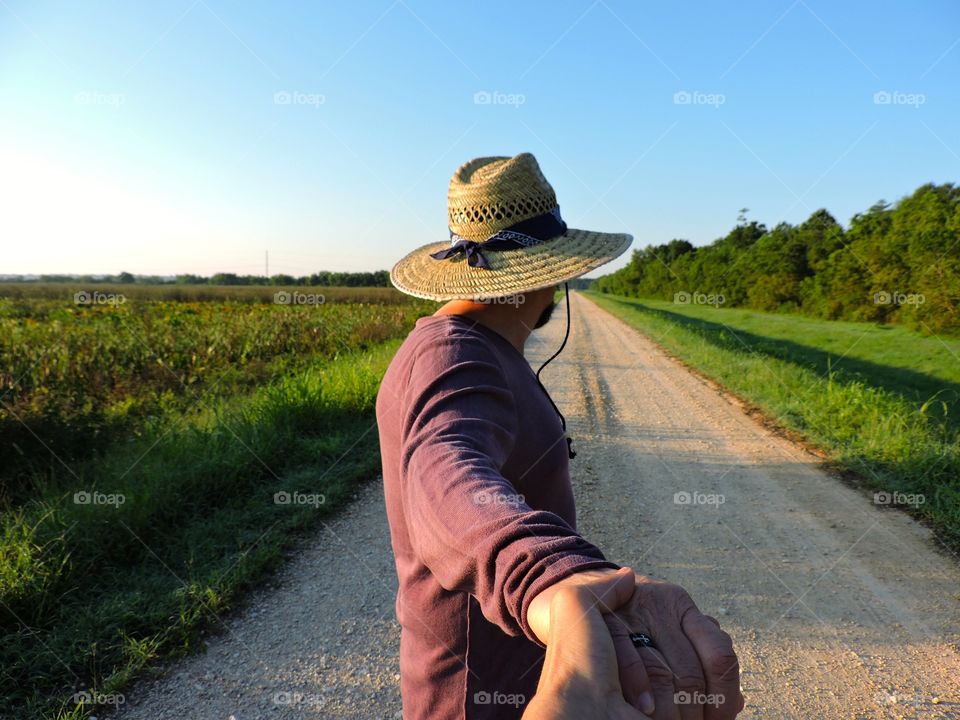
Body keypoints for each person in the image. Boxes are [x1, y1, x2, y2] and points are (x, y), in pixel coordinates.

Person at [376, 153, 743, 719]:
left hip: (522, 668)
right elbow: (442, 473)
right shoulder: (453, 354)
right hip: (473, 696)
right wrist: (556, 574)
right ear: (557, 272)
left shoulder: (482, 347)